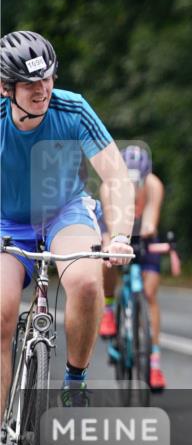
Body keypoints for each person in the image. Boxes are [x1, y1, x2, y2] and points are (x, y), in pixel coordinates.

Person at [0, 30, 134, 412]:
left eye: (47, 78)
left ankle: (75, 380)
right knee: (1, 315)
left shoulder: (72, 109)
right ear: (5, 88)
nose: (42, 89)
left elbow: (116, 175)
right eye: (30, 83)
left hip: (64, 212)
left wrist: (120, 235)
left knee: (87, 283)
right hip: (6, 221)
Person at [98, 144, 168, 391]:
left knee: (149, 293)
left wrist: (147, 229)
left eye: (138, 181)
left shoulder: (154, 185)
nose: (134, 186)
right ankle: (108, 308)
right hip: (115, 229)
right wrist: (114, 242)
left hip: (142, 235)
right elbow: (110, 222)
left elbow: (150, 219)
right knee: (107, 256)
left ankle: (154, 362)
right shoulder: (109, 186)